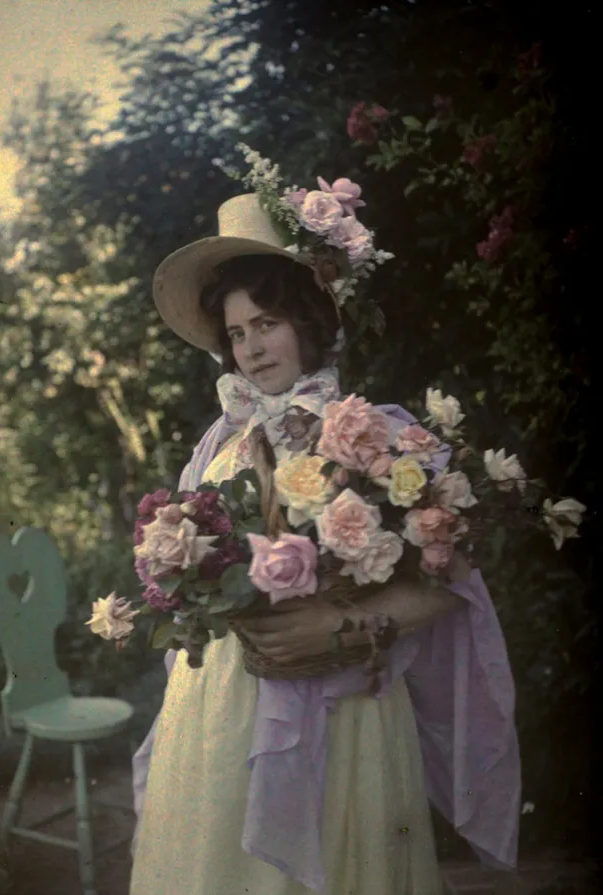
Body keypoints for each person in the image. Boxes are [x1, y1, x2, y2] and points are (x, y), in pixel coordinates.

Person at [129, 193, 521, 895]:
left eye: (268, 323)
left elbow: (450, 575)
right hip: (225, 699)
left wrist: (344, 622)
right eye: (238, 330)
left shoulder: (368, 434)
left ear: (307, 323)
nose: (251, 345)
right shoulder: (220, 446)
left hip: (343, 704)